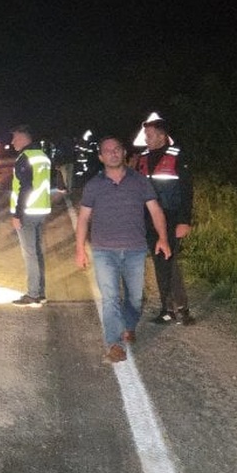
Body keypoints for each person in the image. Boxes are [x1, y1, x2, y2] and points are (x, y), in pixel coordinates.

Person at [75, 136, 172, 364]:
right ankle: (114, 344)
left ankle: (128, 325)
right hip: (103, 250)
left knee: (136, 299)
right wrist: (79, 248)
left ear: (124, 152)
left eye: (117, 149)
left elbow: (156, 210)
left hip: (135, 250)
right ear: (100, 157)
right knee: (110, 299)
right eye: (107, 151)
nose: (113, 153)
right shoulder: (94, 186)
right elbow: (83, 218)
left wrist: (163, 238)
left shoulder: (140, 182)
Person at [135, 115, 195, 325]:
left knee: (169, 262)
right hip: (149, 219)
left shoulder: (177, 156)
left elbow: (186, 191)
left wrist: (184, 220)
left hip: (171, 217)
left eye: (149, 135)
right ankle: (167, 309)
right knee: (160, 263)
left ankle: (181, 309)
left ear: (161, 136)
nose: (146, 139)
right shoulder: (142, 158)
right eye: (145, 135)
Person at [9, 125, 52, 308]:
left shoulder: (25, 158)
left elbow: (25, 188)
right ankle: (40, 291)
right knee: (37, 252)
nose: (12, 142)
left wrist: (17, 214)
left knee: (30, 254)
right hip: (41, 209)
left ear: (24, 139)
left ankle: (33, 294)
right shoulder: (42, 156)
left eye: (15, 138)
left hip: (27, 211)